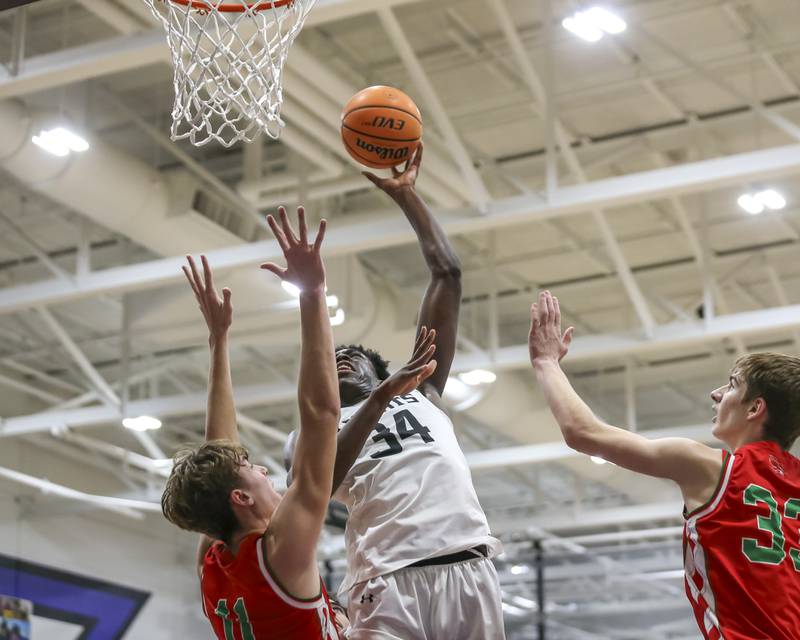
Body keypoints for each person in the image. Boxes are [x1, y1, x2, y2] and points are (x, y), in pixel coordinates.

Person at [284, 145, 505, 640]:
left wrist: (407, 197)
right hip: (385, 576)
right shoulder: (312, 430)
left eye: (355, 355)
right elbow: (317, 490)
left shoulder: (423, 390)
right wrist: (380, 397)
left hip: (467, 564)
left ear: (378, 368)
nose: (342, 357)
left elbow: (447, 273)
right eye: (334, 356)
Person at [528, 289, 800, 640]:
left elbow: (583, 433)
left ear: (754, 409)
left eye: (732, 385)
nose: (716, 393)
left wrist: (546, 363)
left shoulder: (710, 468)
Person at [161, 207, 344, 639]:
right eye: (252, 468)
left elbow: (220, 447)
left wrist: (219, 340)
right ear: (241, 498)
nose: (264, 469)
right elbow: (321, 416)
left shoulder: (216, 560)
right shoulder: (280, 554)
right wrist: (312, 292)